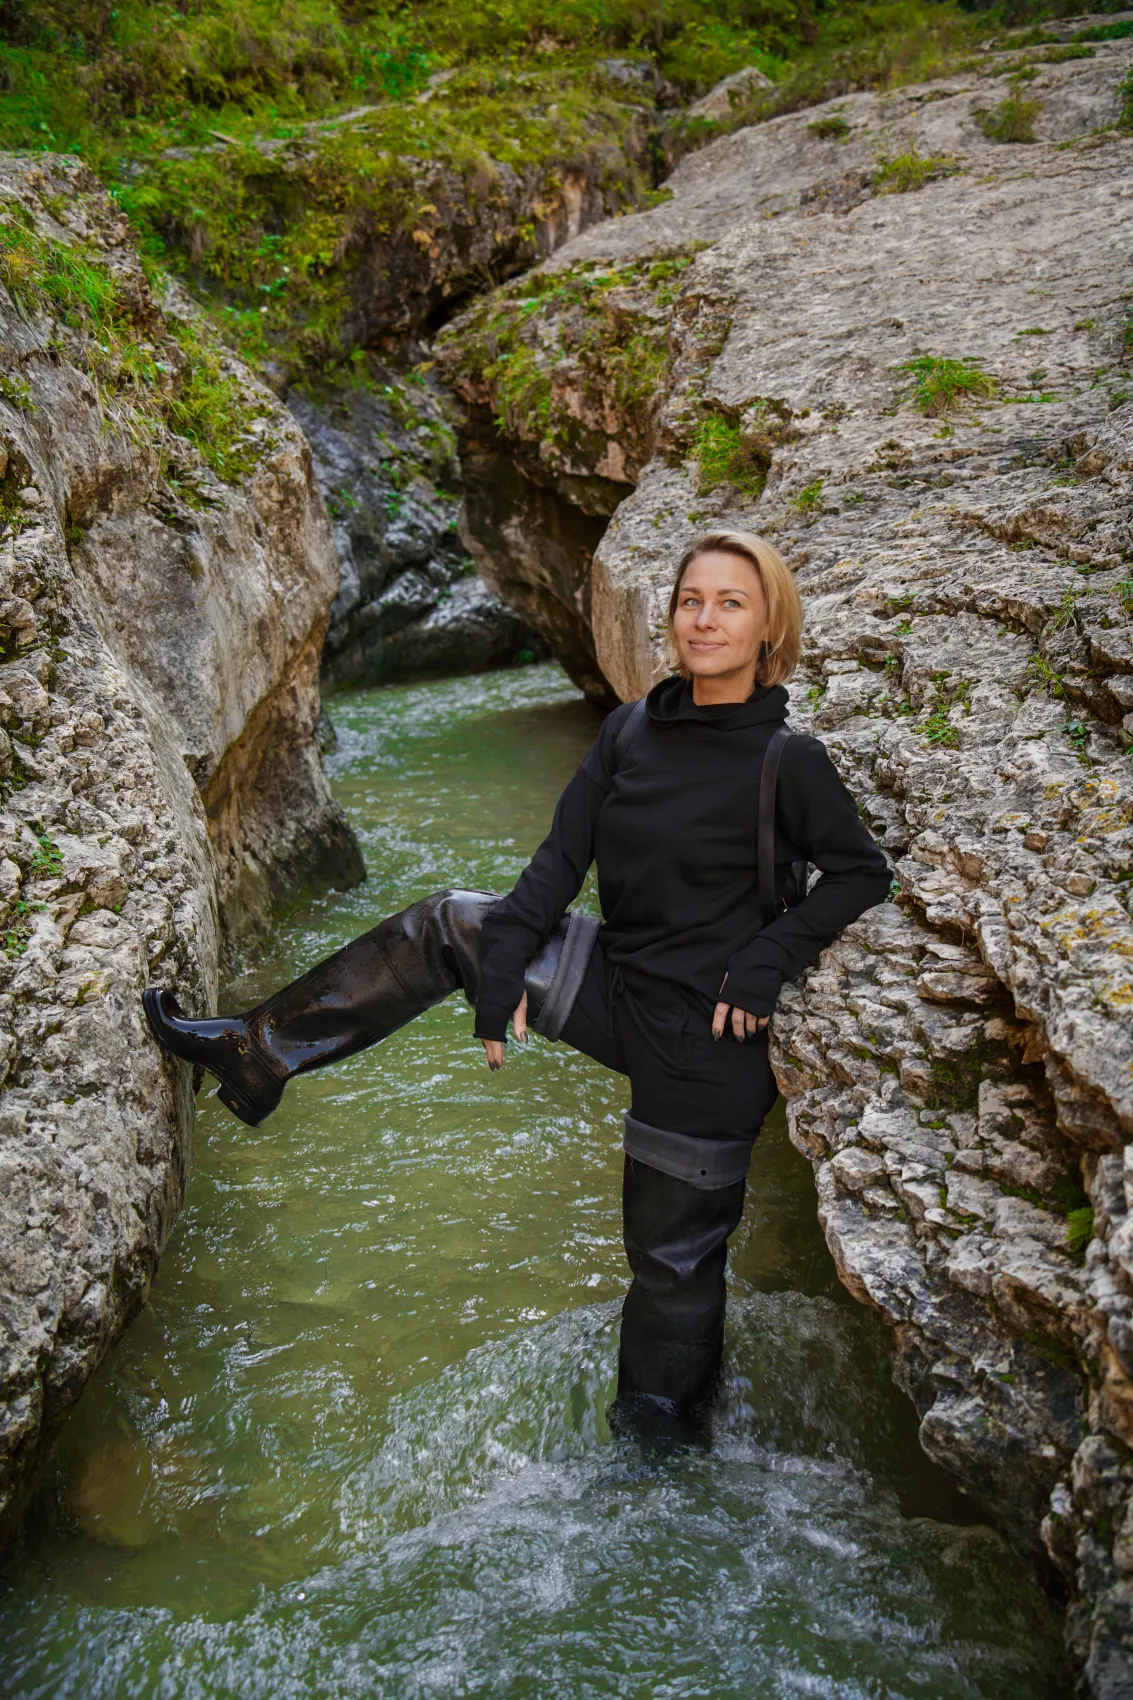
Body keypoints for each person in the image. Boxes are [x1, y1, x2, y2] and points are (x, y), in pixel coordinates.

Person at [144, 530, 891, 1425]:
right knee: (451, 922)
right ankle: (258, 1051)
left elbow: (860, 873)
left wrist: (765, 960)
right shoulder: (630, 729)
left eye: (731, 603)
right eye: (691, 600)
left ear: (769, 627)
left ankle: (656, 1449)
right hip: (615, 982)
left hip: (705, 1042)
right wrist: (498, 976)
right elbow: (557, 863)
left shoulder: (787, 762)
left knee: (669, 1266)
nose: (704, 619)